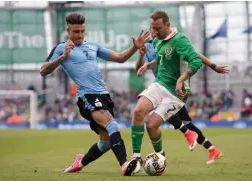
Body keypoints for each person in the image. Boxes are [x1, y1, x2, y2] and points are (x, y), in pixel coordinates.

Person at [40, 13, 150, 176]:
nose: (79, 35)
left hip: (104, 95)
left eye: (82, 31)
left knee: (105, 142)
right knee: (112, 125)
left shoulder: (93, 46)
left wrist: (135, 47)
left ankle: (80, 162)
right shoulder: (61, 48)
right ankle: (125, 164)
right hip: (88, 97)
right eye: (76, 32)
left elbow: (120, 58)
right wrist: (63, 57)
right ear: (68, 30)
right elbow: (43, 70)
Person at [131, 10, 225, 170]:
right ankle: (137, 159)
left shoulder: (180, 40)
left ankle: (195, 139)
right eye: (152, 28)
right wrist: (146, 64)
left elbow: (196, 59)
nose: (154, 32)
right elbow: (159, 61)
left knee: (155, 124)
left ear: (167, 24)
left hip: (176, 92)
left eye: (158, 28)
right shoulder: (156, 41)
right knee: (138, 112)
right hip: (159, 84)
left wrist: (185, 78)